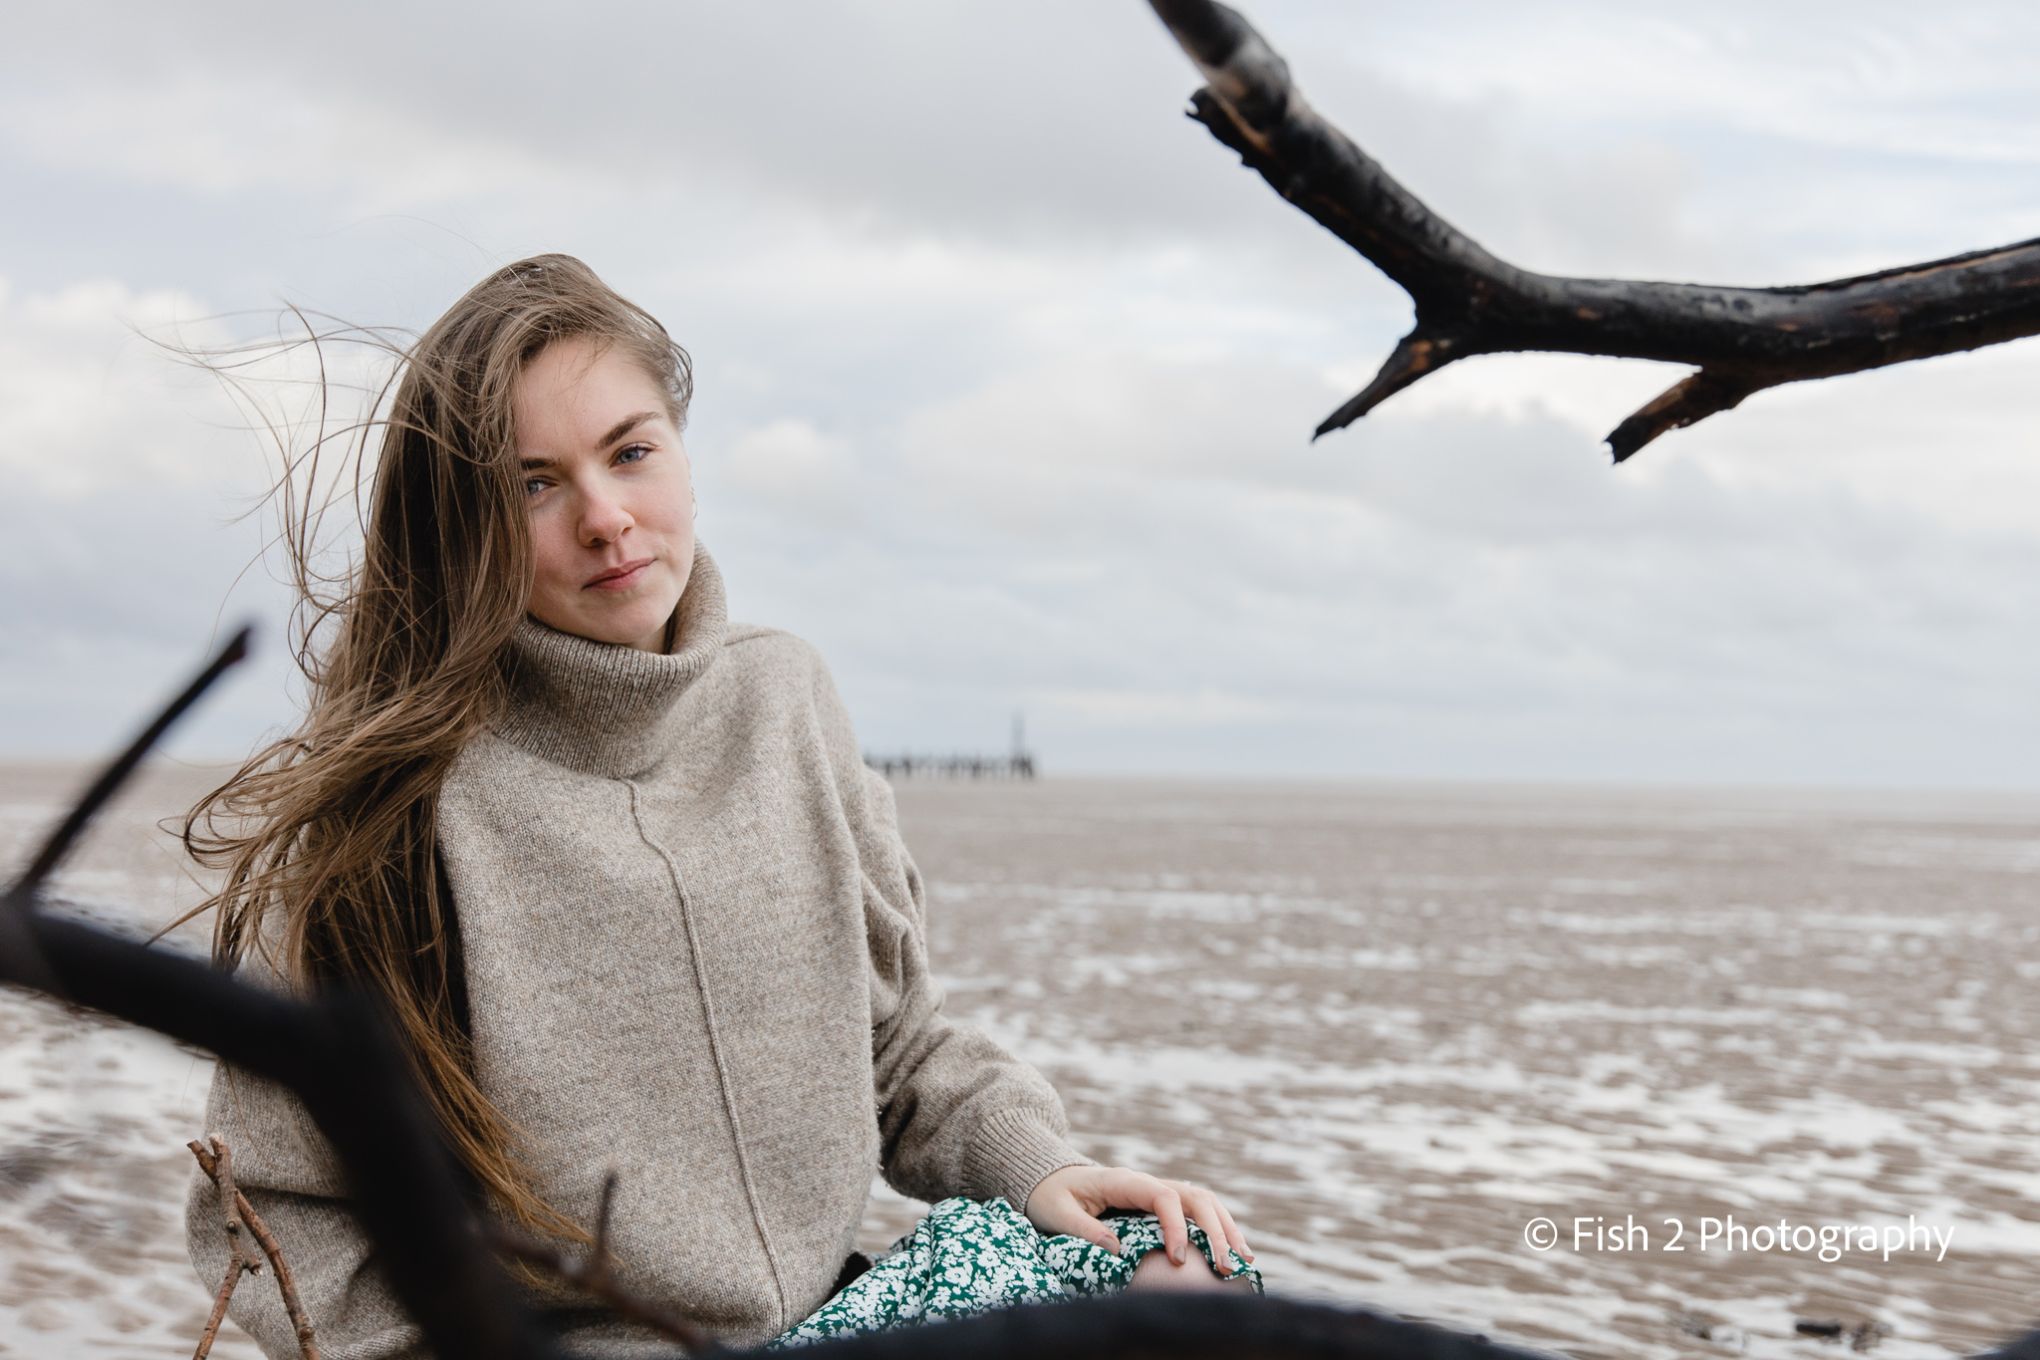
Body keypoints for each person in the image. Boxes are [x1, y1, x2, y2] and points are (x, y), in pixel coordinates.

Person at [176, 253, 1262, 1356]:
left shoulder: (786, 696)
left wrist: (1045, 1164)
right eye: (533, 484)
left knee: (1191, 1275)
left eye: (631, 452)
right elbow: (277, 1211)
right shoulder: (389, 813)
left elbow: (896, 1051)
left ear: (682, 454)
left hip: (843, 1322)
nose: (606, 518)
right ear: (462, 526)